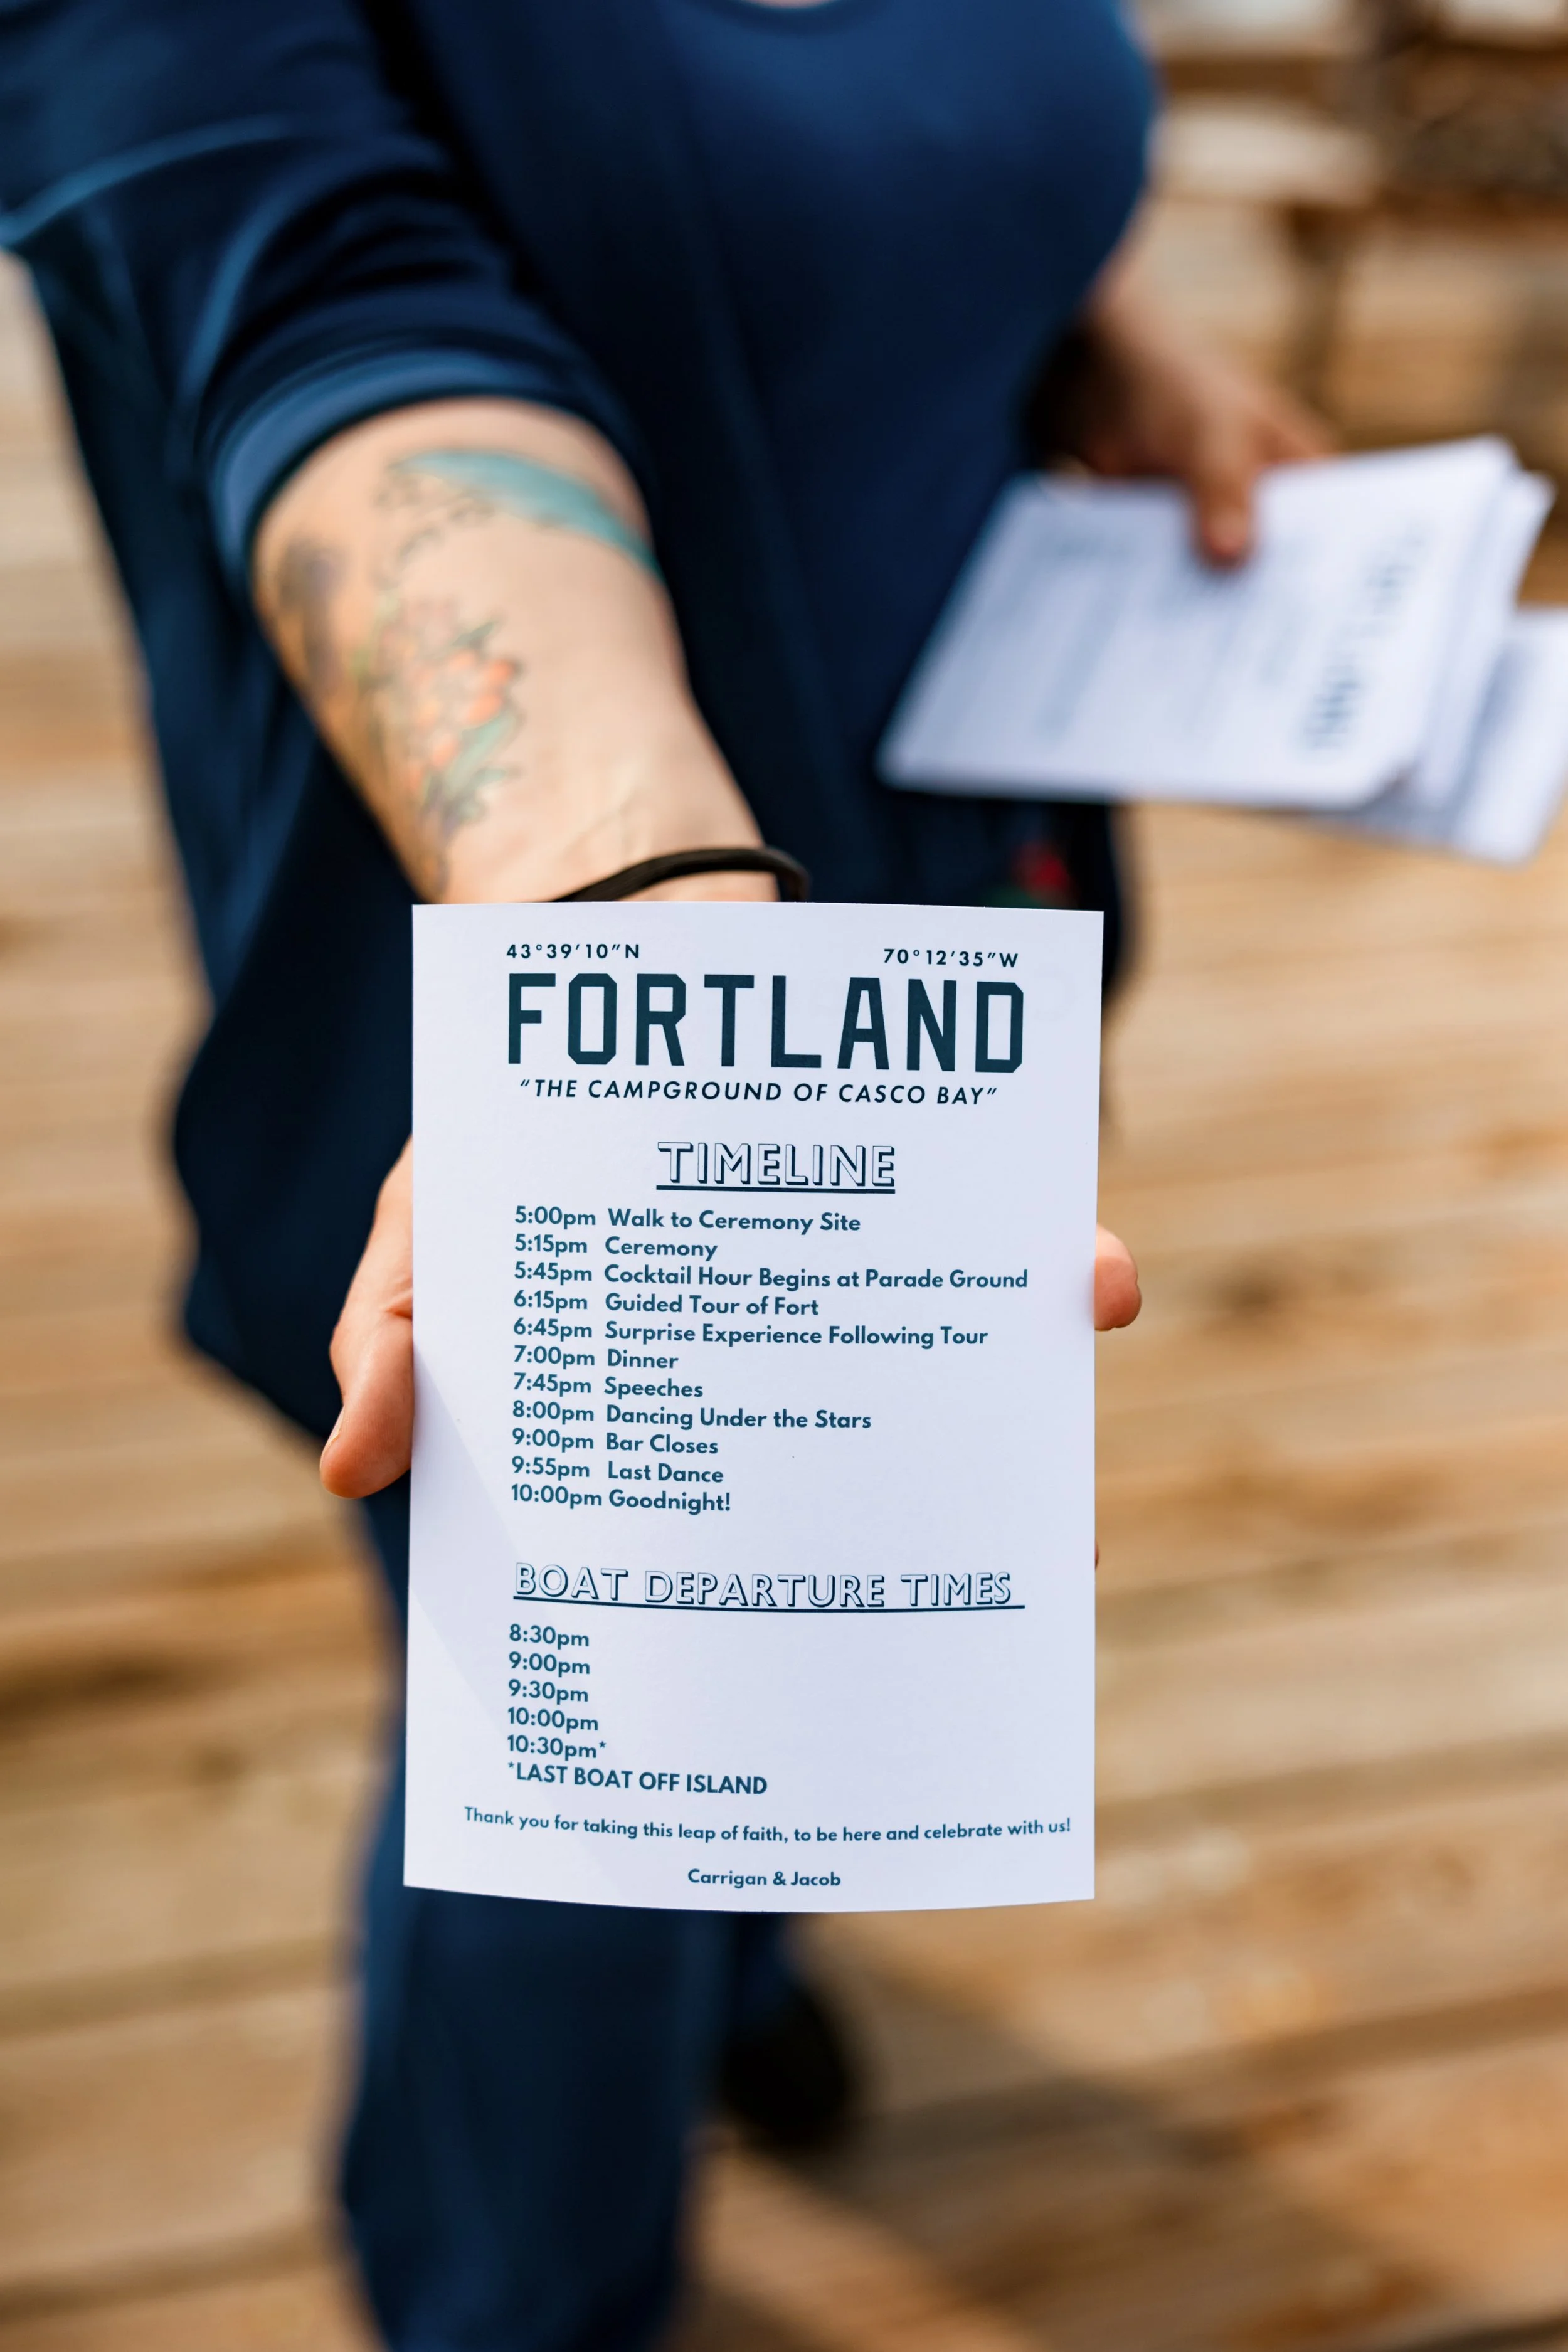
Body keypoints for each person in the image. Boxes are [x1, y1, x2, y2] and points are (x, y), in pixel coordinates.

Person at [0, 3, 1322, 2344]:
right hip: (537, 963)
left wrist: (1079, 325)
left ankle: (743, 1957)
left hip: (943, 898)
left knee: (805, 1581)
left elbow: (941, 111)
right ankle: (516, 2287)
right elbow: (343, 345)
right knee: (563, 1732)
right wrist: (639, 954)